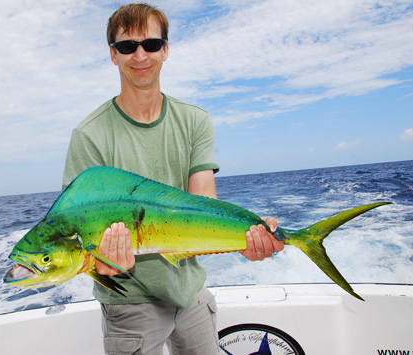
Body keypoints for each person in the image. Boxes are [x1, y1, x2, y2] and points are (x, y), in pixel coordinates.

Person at [62, 3, 284, 354]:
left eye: (150, 44)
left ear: (165, 50)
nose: (140, 55)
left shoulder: (194, 121)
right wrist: (101, 264)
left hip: (189, 290)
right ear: (112, 55)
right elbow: (73, 231)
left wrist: (246, 239)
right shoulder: (88, 135)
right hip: (129, 302)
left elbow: (204, 204)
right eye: (127, 46)